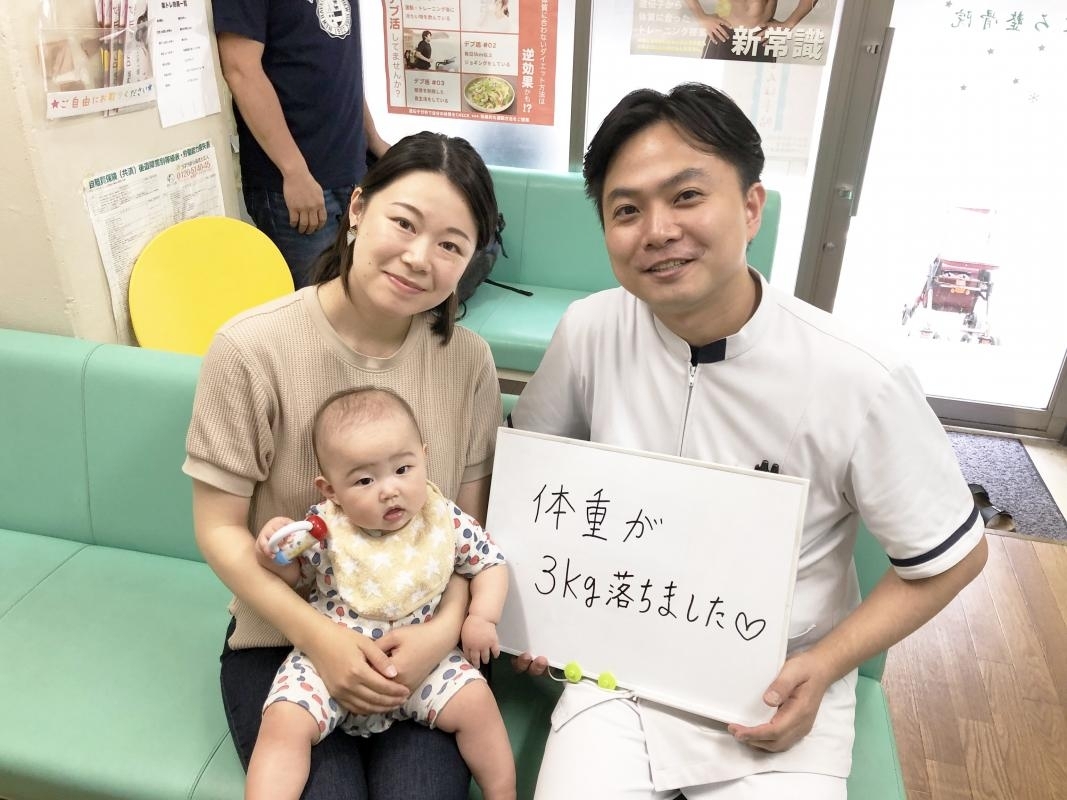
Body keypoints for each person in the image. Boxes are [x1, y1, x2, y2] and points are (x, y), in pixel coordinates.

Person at [509, 83, 988, 799]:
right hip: (617, 673)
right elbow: (530, 483)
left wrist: (826, 665)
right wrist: (533, 614)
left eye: (686, 196)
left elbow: (954, 556)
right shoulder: (590, 330)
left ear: (751, 207)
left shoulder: (858, 375)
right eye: (626, 210)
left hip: (777, 684)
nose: (657, 230)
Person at [184, 130, 503, 800]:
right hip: (286, 638)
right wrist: (322, 641)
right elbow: (218, 529)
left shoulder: (469, 361)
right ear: (357, 209)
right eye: (404, 223)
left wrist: (441, 633)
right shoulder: (250, 348)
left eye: (451, 245)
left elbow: (465, 535)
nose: (419, 258)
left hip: (424, 639)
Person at [246, 387, 515, 800]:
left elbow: (489, 563)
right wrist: (272, 550)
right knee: (283, 719)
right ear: (331, 490)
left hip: (427, 666)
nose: (389, 490)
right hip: (329, 664)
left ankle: (504, 794)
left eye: (403, 469)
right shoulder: (325, 527)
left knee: (478, 704)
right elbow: (292, 577)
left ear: (424, 456)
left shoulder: (443, 519)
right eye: (365, 480)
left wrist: (482, 617)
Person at [213, 0, 390, 289]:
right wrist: (294, 170)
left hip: (353, 170)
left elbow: (341, 68)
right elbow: (240, 71)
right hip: (296, 183)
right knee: (317, 305)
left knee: (357, 295)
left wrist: (373, 140)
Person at [682, 0, 817, 61]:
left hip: (763, 36)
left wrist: (788, 24)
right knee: (711, 98)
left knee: (760, 94)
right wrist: (701, 17)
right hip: (725, 33)